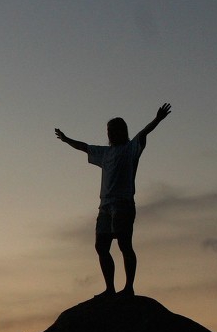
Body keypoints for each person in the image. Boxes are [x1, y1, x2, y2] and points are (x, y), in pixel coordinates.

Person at [55, 103, 171, 296]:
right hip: (105, 206)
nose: (111, 134)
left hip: (123, 204)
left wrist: (157, 119)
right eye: (109, 131)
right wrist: (66, 139)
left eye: (114, 130)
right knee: (101, 246)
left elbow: (143, 133)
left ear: (122, 131)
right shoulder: (105, 153)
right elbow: (84, 147)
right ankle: (110, 288)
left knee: (125, 244)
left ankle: (128, 287)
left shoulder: (131, 148)